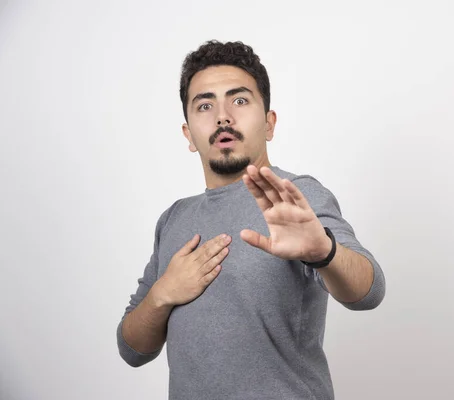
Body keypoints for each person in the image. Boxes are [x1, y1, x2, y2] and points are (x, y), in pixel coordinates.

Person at [116, 40, 386, 400]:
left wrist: (324, 251)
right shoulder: (174, 219)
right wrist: (163, 294)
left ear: (269, 123)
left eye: (239, 100)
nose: (223, 115)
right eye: (205, 105)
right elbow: (132, 349)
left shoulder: (294, 196)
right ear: (188, 135)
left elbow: (369, 292)